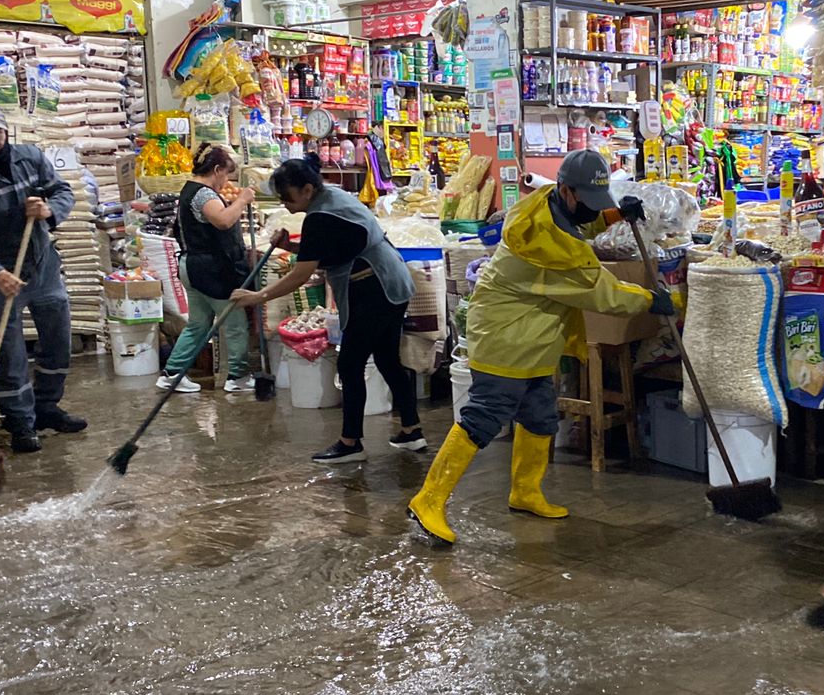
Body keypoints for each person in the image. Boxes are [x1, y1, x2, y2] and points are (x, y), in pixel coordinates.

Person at [407, 149, 673, 545]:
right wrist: (654, 300)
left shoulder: (546, 204)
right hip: (506, 337)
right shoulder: (550, 247)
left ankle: (525, 492)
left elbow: (579, 223)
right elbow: (602, 294)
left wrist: (614, 215)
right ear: (566, 190)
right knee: (484, 416)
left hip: (533, 337)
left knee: (540, 415)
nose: (592, 210)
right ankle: (428, 500)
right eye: (590, 202)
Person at [231, 156, 423, 462]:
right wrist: (291, 247)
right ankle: (412, 431)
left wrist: (258, 297)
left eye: (288, 198)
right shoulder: (332, 199)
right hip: (389, 282)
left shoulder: (320, 217)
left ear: (307, 190)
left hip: (375, 289)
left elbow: (301, 274)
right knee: (387, 359)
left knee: (350, 364)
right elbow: (328, 251)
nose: (285, 204)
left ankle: (350, 443)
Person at [0, 103, 87, 454]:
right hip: (1, 276)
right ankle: (21, 422)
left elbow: (62, 191)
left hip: (42, 266)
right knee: (9, 354)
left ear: (6, 131)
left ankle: (46, 408)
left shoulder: (31, 158)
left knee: (57, 342)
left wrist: (49, 209)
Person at [156, 143, 257, 394]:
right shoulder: (203, 194)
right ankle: (238, 376)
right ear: (216, 169)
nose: (225, 181)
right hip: (212, 270)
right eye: (226, 174)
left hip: (193, 267)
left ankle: (172, 372)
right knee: (234, 322)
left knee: (198, 325)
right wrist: (242, 199)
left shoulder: (189, 190)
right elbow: (223, 221)